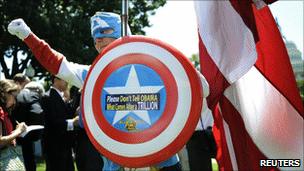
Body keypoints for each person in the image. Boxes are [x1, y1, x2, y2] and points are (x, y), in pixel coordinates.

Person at [7, 11, 212, 170]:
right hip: (116, 151)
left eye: (105, 35)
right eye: (96, 38)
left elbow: (202, 89)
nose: (98, 41)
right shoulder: (93, 75)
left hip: (157, 144)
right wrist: (28, 36)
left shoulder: (157, 65)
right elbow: (59, 65)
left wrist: (183, 71)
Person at [41, 76, 78, 171]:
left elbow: (66, 114)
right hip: (55, 147)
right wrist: (72, 123)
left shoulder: (60, 96)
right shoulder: (48, 96)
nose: (67, 83)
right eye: (65, 80)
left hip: (64, 146)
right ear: (56, 80)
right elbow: (52, 121)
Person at [12, 81, 45, 171]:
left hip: (11, 137)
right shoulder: (33, 95)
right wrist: (36, 136)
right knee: (29, 164)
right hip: (26, 138)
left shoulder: (15, 95)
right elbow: (37, 111)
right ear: (37, 90)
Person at [0, 79, 27, 170]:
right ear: (5, 93)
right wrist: (18, 131)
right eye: (14, 96)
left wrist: (15, 133)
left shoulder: (5, 112)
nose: (15, 101)